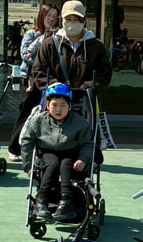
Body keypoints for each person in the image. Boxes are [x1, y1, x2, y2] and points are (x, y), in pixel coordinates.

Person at [20, 83, 94, 223]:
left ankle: (67, 201)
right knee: (52, 164)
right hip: (47, 152)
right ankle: (42, 200)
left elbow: (87, 144)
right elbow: (27, 142)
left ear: (70, 106)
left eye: (63, 105)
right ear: (47, 105)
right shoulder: (38, 121)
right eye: (54, 105)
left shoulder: (80, 123)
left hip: (71, 153)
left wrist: (83, 159)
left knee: (66, 165)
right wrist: (28, 166)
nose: (58, 109)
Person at [7, 3, 60, 163]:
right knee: (26, 114)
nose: (51, 19)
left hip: (49, 80)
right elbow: (25, 56)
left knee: (45, 116)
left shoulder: (58, 36)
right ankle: (14, 149)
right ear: (42, 15)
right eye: (48, 15)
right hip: (31, 80)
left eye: (54, 16)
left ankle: (40, 151)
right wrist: (45, 39)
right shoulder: (32, 34)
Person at [31, 0, 112, 97]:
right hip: (56, 100)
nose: (72, 23)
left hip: (85, 100)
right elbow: (39, 71)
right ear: (62, 20)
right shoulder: (49, 45)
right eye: (68, 19)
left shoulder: (96, 46)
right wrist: (57, 88)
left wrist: (86, 89)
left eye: (76, 19)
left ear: (84, 20)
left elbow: (104, 74)